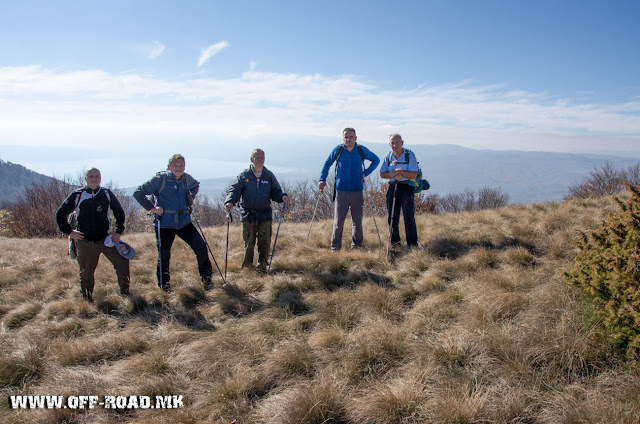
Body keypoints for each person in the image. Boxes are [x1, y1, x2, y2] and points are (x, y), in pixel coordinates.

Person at [133, 154, 213, 292]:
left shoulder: (186, 178)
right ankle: (165, 288)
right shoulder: (160, 179)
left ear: (184, 166)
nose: (178, 168)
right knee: (164, 256)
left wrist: (190, 197)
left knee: (201, 247)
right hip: (164, 224)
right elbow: (138, 192)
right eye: (175, 166)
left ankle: (207, 282)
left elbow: (196, 185)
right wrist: (152, 208)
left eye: (181, 165)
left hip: (184, 222)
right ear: (169, 166)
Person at [56, 167, 130, 302]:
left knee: (123, 263)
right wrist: (70, 232)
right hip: (85, 242)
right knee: (86, 273)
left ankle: (125, 293)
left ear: (100, 179)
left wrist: (118, 232)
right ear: (85, 179)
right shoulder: (77, 195)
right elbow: (60, 214)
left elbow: (119, 213)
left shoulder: (107, 194)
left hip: (107, 240)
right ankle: (87, 299)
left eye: (97, 176)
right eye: (91, 176)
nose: (94, 179)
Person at [224, 149, 289, 272]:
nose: (260, 160)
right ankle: (248, 267)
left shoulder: (269, 175)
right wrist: (229, 201)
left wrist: (282, 196)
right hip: (248, 214)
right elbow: (234, 190)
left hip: (264, 214)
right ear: (251, 159)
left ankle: (262, 266)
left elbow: (276, 191)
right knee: (249, 243)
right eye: (257, 157)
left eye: (262, 158)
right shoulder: (244, 175)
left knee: (264, 242)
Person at [319, 127, 380, 251]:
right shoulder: (338, 150)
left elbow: (376, 160)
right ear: (343, 138)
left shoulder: (361, 150)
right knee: (338, 222)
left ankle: (356, 246)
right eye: (346, 137)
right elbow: (327, 163)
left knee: (357, 221)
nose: (348, 139)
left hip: (357, 191)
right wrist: (322, 179)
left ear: (355, 138)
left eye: (351, 136)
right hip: (341, 191)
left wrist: (365, 173)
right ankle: (335, 248)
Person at [379, 133, 419, 248]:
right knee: (392, 216)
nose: (395, 145)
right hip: (393, 187)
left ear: (402, 143)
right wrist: (391, 174)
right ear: (389, 144)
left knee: (408, 216)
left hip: (407, 187)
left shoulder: (409, 155)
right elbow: (382, 174)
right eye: (392, 142)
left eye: (397, 142)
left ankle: (412, 244)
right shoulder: (388, 156)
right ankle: (395, 244)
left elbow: (413, 174)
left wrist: (399, 172)